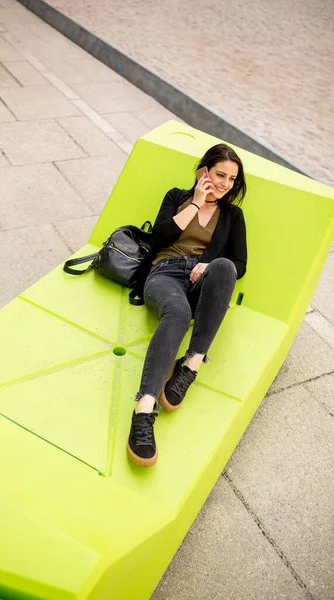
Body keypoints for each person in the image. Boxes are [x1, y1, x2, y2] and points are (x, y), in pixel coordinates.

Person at [126, 143, 247, 467]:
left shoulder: (233, 215)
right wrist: (196, 202)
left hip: (202, 281)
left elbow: (240, 264)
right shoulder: (176, 197)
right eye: (219, 174)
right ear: (203, 171)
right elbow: (158, 240)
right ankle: (144, 410)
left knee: (224, 267)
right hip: (165, 274)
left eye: (231, 179)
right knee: (177, 313)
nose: (224, 184)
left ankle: (190, 365)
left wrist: (207, 263)